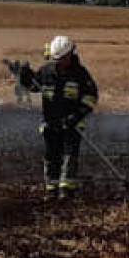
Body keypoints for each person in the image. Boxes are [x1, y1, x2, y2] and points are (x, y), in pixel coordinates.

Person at [33, 35, 99, 200]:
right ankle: (51, 188)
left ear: (70, 55)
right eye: (57, 59)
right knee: (51, 156)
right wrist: (26, 78)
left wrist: (76, 116)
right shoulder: (46, 71)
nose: (59, 62)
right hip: (51, 122)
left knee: (69, 155)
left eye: (62, 58)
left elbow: (91, 97)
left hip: (72, 124)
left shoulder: (81, 75)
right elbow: (34, 87)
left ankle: (66, 189)